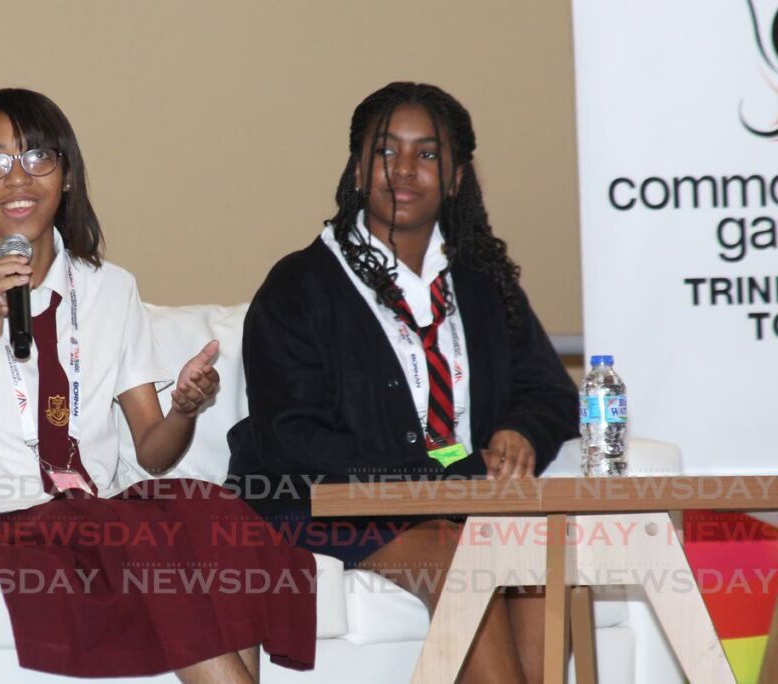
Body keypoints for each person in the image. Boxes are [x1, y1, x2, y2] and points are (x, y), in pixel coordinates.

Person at [0, 88, 315, 684]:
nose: (17, 179)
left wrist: (184, 408)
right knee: (135, 532)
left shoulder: (111, 288)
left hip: (93, 516)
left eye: (38, 158)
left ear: (65, 177)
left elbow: (153, 452)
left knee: (213, 512)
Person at [228, 82, 578, 684]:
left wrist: (520, 432)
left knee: (538, 554)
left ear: (457, 176)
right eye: (386, 151)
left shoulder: (482, 279)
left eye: (427, 154)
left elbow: (549, 391)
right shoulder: (301, 285)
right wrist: (442, 479)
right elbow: (292, 439)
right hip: (327, 503)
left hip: (461, 501)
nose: (405, 170)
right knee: (457, 555)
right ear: (358, 167)